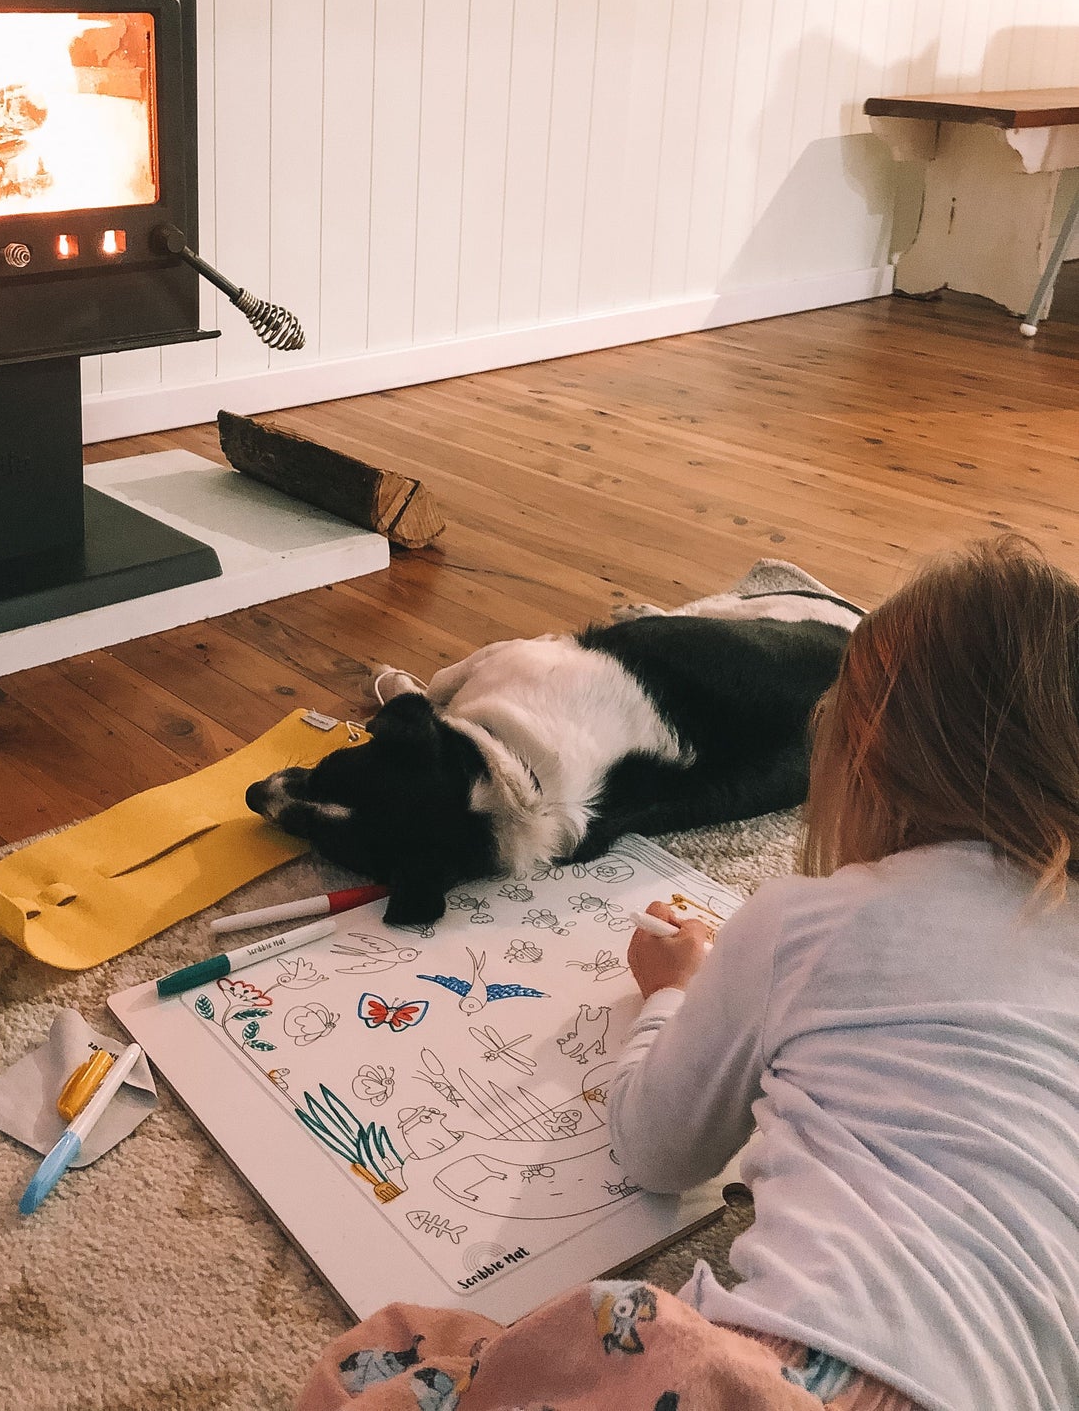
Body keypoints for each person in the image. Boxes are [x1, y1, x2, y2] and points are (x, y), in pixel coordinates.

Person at [296, 539, 1079, 1411]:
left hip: (801, 1380)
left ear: (858, 758)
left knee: (386, 1359)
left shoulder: (803, 923)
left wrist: (671, 991)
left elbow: (655, 1149)